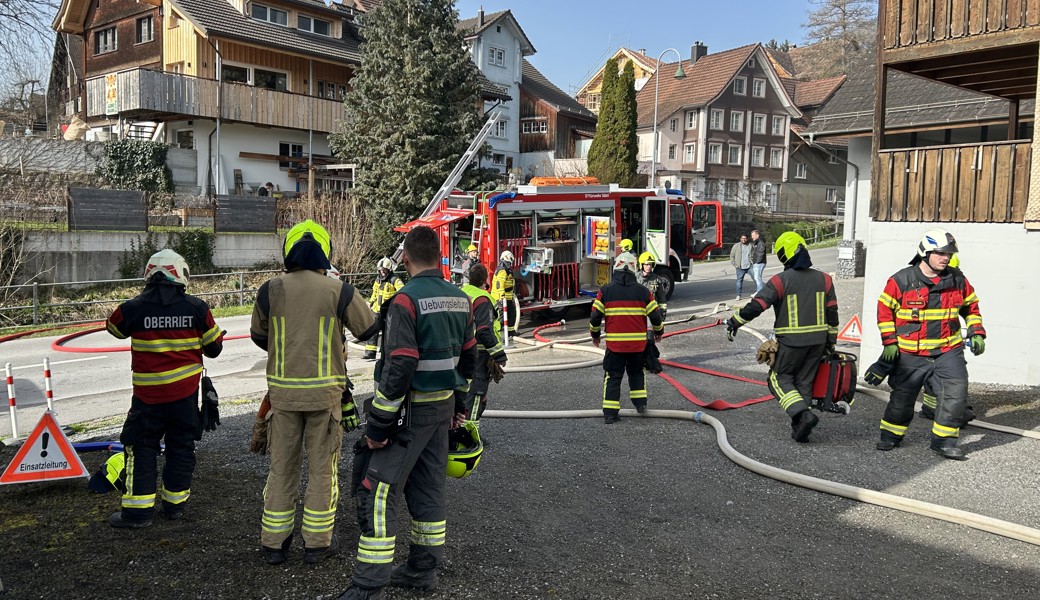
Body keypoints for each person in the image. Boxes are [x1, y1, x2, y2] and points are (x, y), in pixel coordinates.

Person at [337, 225, 477, 599]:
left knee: (377, 491)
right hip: (442, 411)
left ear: (407, 259)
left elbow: (400, 365)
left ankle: (369, 584)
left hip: (409, 414)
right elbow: (469, 359)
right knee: (428, 490)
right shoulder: (460, 298)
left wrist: (379, 425)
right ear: (439, 256)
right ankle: (421, 571)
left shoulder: (405, 301)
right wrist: (459, 406)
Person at [251, 219, 378, 565]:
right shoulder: (338, 290)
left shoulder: (270, 290)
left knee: (281, 469)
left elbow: (260, 337)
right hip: (325, 399)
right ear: (326, 252)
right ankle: (317, 545)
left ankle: (274, 545)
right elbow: (369, 329)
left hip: (283, 397)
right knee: (323, 471)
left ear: (288, 251)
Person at [104, 249, 225, 528]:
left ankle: (137, 513)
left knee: (141, 448)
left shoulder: (132, 308)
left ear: (148, 274)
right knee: (181, 447)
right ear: (182, 275)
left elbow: (114, 328)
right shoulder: (197, 308)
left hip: (147, 399)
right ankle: (175, 506)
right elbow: (214, 349)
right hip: (184, 397)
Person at [874, 229, 985, 460]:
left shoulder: (958, 280)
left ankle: (943, 442)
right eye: (940, 253)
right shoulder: (901, 280)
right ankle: (891, 436)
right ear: (925, 252)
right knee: (902, 398)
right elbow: (884, 312)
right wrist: (889, 343)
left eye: (948, 253)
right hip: (912, 353)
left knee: (956, 395)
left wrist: (976, 331)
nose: (946, 257)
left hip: (948, 351)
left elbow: (971, 307)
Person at [725, 232, 838, 443]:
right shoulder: (825, 279)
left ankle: (803, 415)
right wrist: (830, 344)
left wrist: (734, 322)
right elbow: (833, 316)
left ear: (785, 255)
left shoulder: (781, 280)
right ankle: (801, 427)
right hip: (818, 342)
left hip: (792, 342)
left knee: (778, 379)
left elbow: (757, 306)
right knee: (804, 381)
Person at [589, 252, 664, 424]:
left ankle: (610, 414)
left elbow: (594, 317)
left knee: (613, 377)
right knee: (637, 373)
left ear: (615, 267)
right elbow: (656, 316)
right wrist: (659, 332)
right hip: (638, 346)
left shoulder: (605, 291)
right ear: (633, 269)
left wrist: (595, 335)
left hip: (615, 346)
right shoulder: (643, 292)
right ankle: (640, 405)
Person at [458, 264, 507, 419]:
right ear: (486, 279)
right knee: (476, 397)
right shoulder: (482, 299)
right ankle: (469, 438)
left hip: (459, 352)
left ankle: (459, 434)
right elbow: (484, 330)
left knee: (462, 394)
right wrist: (499, 354)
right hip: (478, 355)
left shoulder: (461, 293)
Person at [364, 257, 404, 360]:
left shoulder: (395, 280)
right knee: (372, 331)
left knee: (388, 333)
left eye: (384, 270)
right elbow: (375, 292)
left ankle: (385, 354)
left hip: (389, 312)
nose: (382, 272)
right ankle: (370, 353)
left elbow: (402, 292)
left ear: (389, 270)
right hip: (377, 310)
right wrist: (371, 302)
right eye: (380, 270)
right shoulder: (378, 280)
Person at [636, 251, 667, 319]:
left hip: (653, 312)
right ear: (642, 265)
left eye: (650, 264)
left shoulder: (657, 279)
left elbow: (661, 297)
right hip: (638, 312)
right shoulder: (635, 279)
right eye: (646, 264)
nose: (649, 267)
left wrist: (663, 312)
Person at [491, 250, 516, 332]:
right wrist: (502, 296)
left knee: (511, 314)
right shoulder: (502, 270)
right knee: (502, 317)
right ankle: (501, 334)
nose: (510, 264)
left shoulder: (505, 269)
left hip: (507, 297)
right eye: (509, 262)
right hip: (501, 298)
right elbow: (499, 285)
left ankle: (510, 331)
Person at [729, 234, 752, 300]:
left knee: (756, 278)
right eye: (742, 238)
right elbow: (732, 255)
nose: (743, 239)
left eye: (745, 238)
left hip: (749, 266)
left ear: (747, 239)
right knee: (739, 281)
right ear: (740, 239)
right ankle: (738, 295)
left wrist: (753, 262)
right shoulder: (736, 246)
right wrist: (734, 264)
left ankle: (758, 292)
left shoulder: (750, 245)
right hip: (740, 267)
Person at [749, 229, 767, 293]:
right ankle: (759, 290)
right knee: (757, 278)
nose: (752, 237)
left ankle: (759, 292)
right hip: (757, 262)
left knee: (757, 278)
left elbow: (761, 252)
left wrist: (757, 261)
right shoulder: (757, 242)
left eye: (753, 235)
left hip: (759, 263)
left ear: (757, 235)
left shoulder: (760, 243)